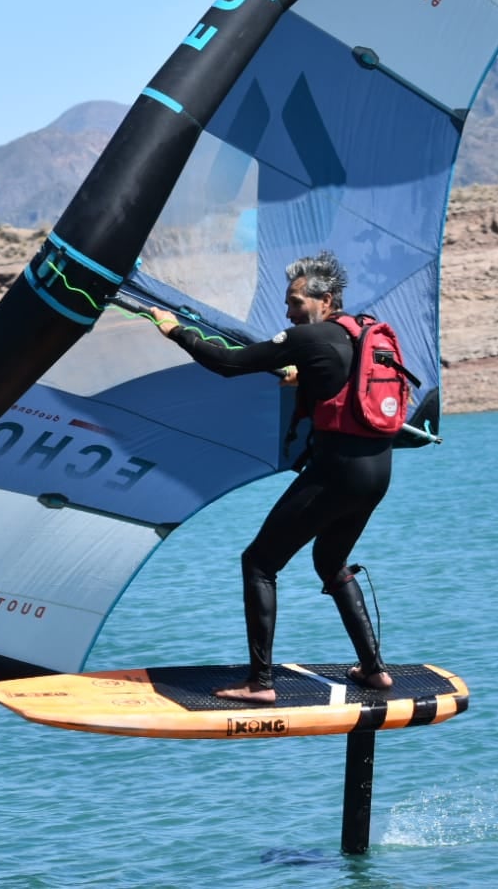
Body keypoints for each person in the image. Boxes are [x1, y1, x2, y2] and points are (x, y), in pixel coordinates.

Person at [149, 250, 394, 703]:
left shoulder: (309, 337)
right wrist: (305, 377)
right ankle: (375, 671)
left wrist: (175, 330)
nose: (287, 311)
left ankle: (259, 683)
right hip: (378, 472)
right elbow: (336, 378)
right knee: (329, 561)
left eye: (296, 302)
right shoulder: (359, 333)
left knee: (260, 562)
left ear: (325, 299)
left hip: (338, 472)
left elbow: (228, 363)